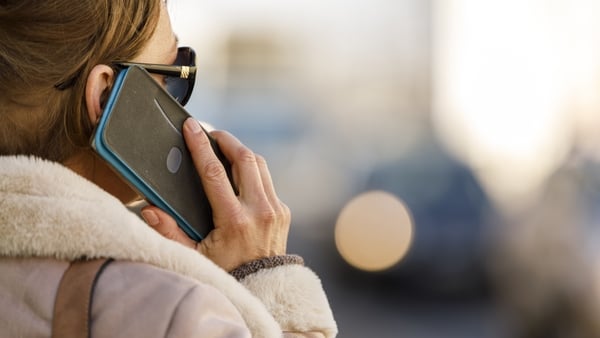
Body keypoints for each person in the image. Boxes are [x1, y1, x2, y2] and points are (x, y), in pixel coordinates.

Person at [0, 0, 337, 337]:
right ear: (105, 98)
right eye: (172, 76)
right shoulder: (174, 312)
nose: (176, 105)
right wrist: (264, 276)